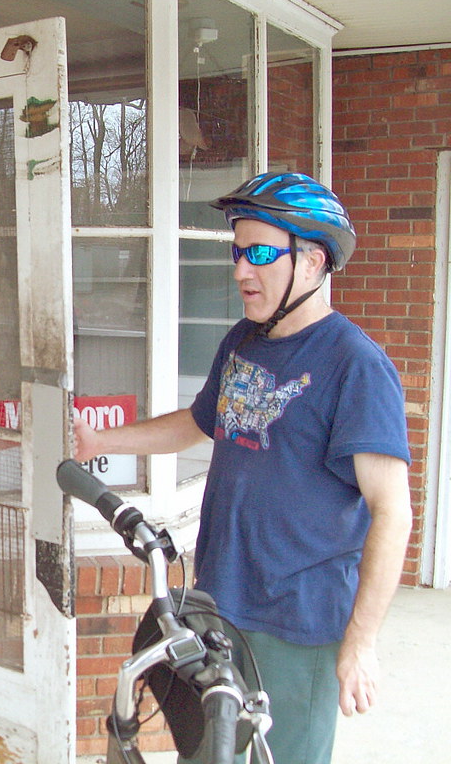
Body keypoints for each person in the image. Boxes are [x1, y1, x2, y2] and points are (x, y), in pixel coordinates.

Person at [73, 172, 412, 764]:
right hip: (219, 604)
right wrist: (104, 437)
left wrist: (360, 643)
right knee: (209, 754)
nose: (239, 271)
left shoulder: (355, 365)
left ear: (312, 261)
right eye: (236, 252)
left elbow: (393, 512)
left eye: (259, 253)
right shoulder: (244, 341)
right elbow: (202, 420)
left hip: (296, 624)